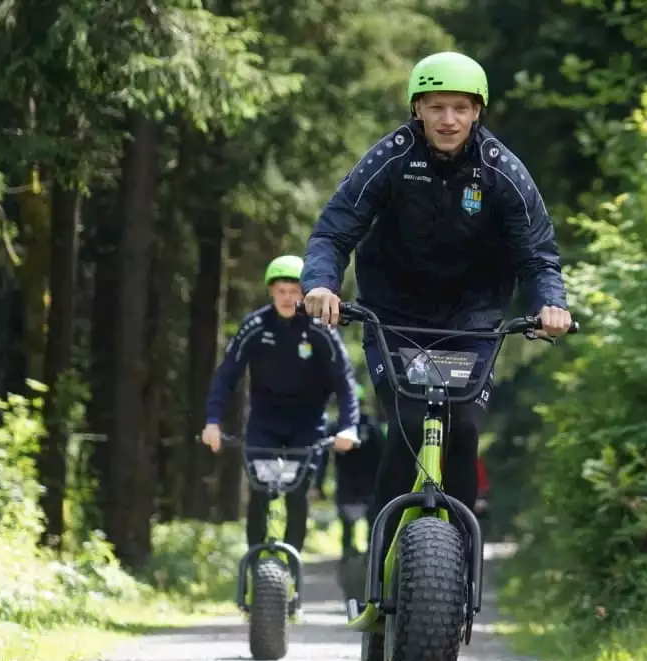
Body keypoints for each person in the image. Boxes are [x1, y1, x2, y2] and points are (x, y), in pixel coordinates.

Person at [299, 51, 572, 561]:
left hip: (472, 319)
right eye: (437, 107)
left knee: (464, 428)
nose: (449, 120)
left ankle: (458, 565)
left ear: (478, 112)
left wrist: (550, 305)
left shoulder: (502, 172)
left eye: (462, 108)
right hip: (393, 314)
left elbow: (537, 254)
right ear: (417, 109)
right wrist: (321, 284)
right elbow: (334, 231)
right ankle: (380, 569)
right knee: (404, 428)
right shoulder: (392, 158)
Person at [202, 254, 360, 554]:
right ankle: (255, 566)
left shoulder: (319, 329)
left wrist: (349, 427)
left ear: (303, 294)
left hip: (308, 422)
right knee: (259, 493)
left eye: (294, 291)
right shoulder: (255, 326)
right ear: (271, 291)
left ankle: (291, 572)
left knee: (297, 495)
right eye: (281, 291)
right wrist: (212, 421)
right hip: (264, 420)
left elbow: (344, 381)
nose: (287, 298)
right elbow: (226, 376)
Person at [319, 383, 387, 561]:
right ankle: (369, 563)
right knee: (370, 533)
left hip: (350, 489)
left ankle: (350, 562)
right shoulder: (372, 427)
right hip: (366, 489)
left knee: (349, 535)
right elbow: (384, 456)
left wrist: (318, 485)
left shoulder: (337, 428)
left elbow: (322, 460)